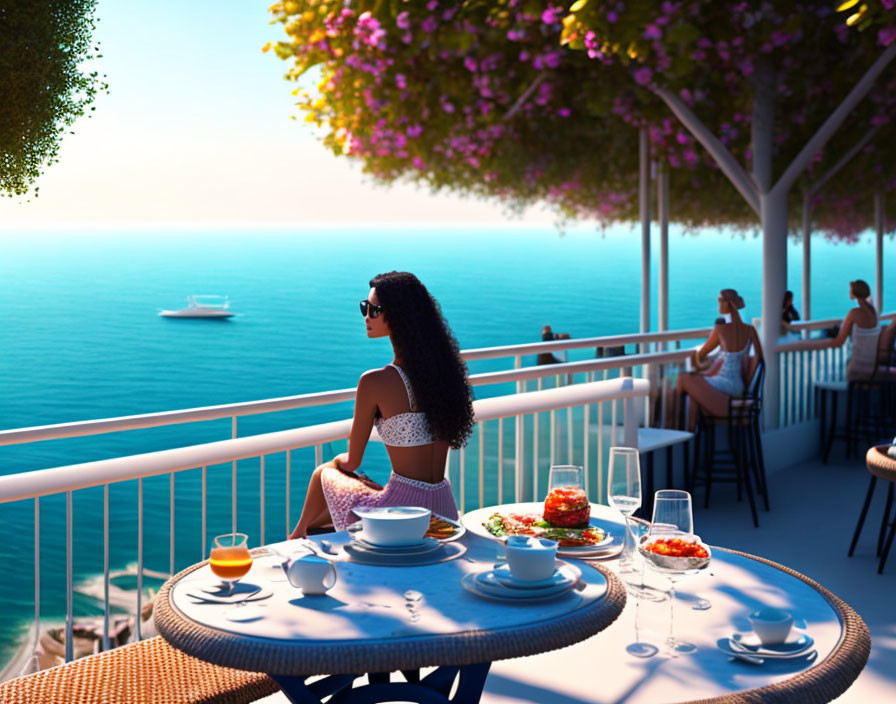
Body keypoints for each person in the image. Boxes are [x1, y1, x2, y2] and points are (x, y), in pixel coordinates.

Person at [289, 271, 474, 538]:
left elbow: (352, 462)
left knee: (323, 473)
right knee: (348, 493)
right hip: (445, 508)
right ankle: (301, 538)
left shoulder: (375, 382)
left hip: (403, 513)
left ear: (399, 316)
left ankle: (293, 542)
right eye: (365, 308)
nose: (366, 316)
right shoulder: (445, 377)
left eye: (374, 310)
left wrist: (338, 462)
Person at [677, 289, 763, 430]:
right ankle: (690, 430)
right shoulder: (750, 330)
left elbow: (701, 354)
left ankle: (682, 431)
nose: (718, 305)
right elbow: (759, 357)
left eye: (719, 301)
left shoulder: (720, 329)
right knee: (694, 395)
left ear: (727, 304)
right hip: (738, 387)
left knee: (683, 378)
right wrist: (747, 383)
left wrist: (698, 362)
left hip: (723, 385)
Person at [788, 279, 879, 381]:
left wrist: (808, 344)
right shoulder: (873, 312)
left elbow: (838, 342)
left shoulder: (854, 313)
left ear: (854, 293)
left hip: (856, 368)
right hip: (872, 367)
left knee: (823, 376)